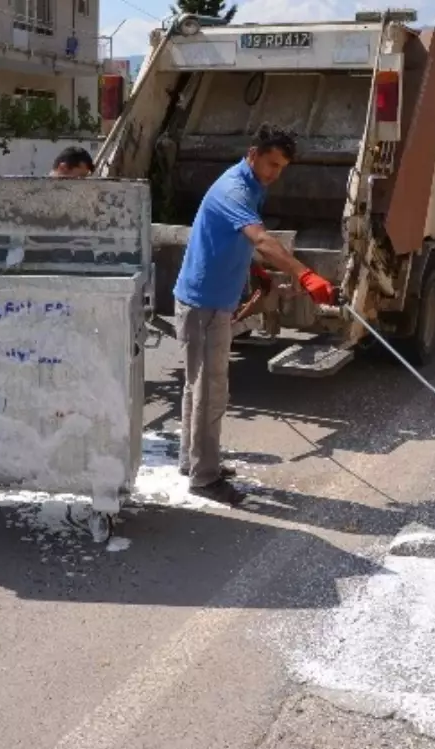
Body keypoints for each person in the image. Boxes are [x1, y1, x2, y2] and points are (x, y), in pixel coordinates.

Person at [173, 123, 335, 505]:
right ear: (253, 154)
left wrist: (255, 270)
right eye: (271, 164)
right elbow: (260, 238)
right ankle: (204, 478)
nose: (275, 174)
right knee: (210, 391)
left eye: (281, 167)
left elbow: (238, 240)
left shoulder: (251, 185)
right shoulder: (235, 189)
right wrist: (304, 274)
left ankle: (191, 461)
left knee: (197, 387)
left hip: (211, 299)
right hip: (204, 303)